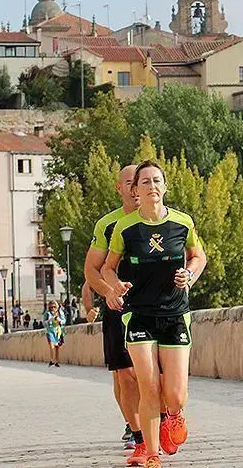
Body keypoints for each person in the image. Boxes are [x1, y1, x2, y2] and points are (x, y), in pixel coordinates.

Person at [102, 160, 207, 468]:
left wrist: (189, 274)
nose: (151, 187)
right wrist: (115, 284)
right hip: (139, 314)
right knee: (148, 384)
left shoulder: (182, 223)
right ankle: (151, 452)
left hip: (175, 313)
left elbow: (199, 255)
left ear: (165, 186)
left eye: (156, 181)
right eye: (144, 182)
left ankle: (173, 416)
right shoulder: (125, 227)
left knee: (175, 394)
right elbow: (108, 267)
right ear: (135, 189)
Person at [84, 164, 144, 454]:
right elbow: (91, 271)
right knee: (124, 373)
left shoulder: (161, 220)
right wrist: (109, 293)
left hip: (154, 305)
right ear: (119, 188)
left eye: (140, 182)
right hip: (117, 306)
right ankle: (135, 427)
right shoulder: (107, 225)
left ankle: (151, 418)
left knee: (149, 374)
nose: (135, 188)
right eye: (129, 183)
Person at [44, 300, 66, 366]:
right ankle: (52, 360)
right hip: (50, 330)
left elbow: (64, 321)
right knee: (51, 345)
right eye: (51, 307)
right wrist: (50, 320)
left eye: (54, 307)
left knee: (57, 346)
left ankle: (56, 361)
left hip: (58, 331)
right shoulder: (47, 313)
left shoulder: (60, 312)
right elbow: (44, 322)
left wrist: (59, 320)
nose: (53, 308)